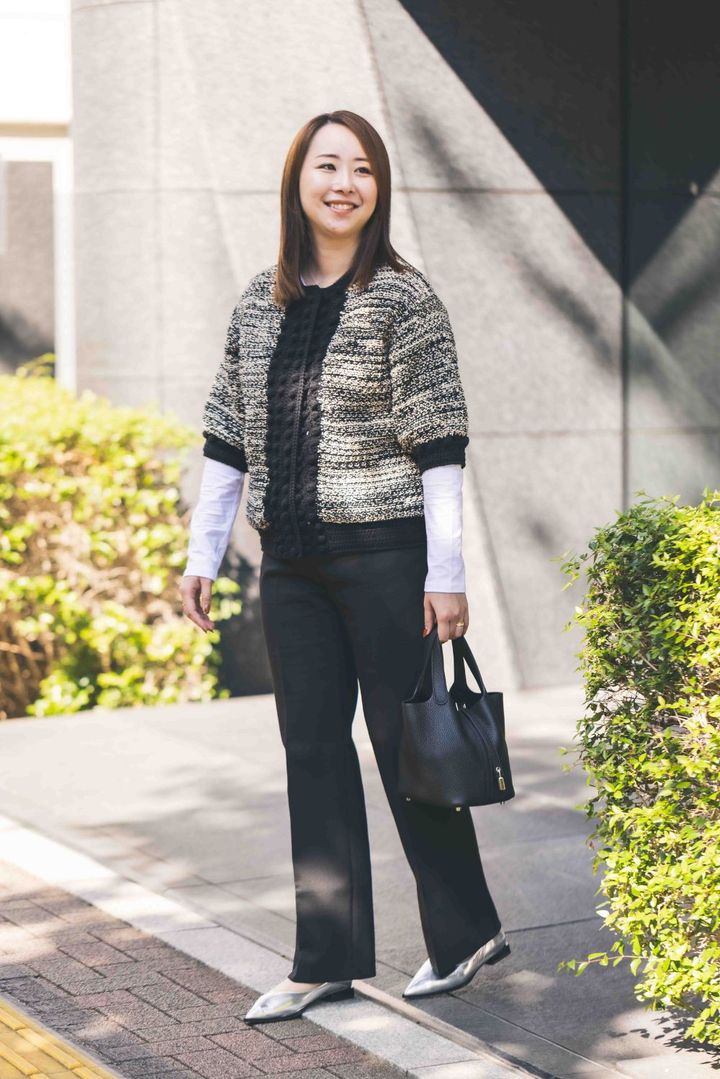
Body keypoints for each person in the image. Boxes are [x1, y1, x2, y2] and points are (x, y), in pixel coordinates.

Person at [179, 110, 509, 1025]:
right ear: (298, 180)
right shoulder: (258, 301)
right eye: (327, 166)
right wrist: (203, 554)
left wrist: (447, 573)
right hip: (290, 565)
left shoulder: (406, 300)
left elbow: (440, 449)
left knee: (408, 744)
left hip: (388, 560)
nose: (344, 183)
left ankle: (465, 929)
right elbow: (226, 440)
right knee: (312, 753)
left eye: (362, 169)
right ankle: (325, 958)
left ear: (379, 188)